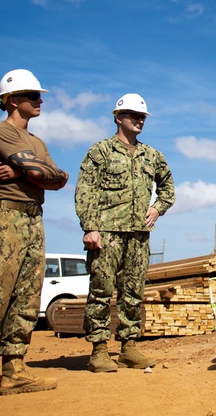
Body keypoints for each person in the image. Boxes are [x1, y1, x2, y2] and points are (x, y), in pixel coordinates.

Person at [0, 69, 69, 406]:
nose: (40, 101)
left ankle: (14, 371)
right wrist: (32, 172)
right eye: (33, 96)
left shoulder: (37, 142)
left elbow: (60, 178)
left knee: (26, 298)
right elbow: (41, 173)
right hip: (3, 219)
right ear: (13, 100)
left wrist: (21, 171)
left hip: (33, 219)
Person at [74, 93, 175, 372]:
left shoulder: (152, 155)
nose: (140, 119)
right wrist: (90, 226)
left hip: (138, 235)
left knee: (133, 293)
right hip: (107, 234)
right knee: (101, 291)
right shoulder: (101, 151)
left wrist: (157, 208)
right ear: (118, 117)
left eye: (142, 116)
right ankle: (98, 351)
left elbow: (168, 189)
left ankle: (129, 348)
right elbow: (85, 190)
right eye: (133, 115)